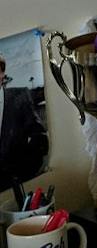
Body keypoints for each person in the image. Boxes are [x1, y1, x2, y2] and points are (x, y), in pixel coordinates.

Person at [0, 53, 48, 192]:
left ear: (2, 73)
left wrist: (25, 173)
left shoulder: (19, 96)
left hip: (22, 182)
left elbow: (40, 137)